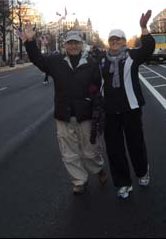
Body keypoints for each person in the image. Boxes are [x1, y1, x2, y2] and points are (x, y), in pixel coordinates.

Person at [24, 28, 108, 195]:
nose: (73, 46)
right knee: (68, 152)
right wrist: (30, 42)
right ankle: (79, 181)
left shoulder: (91, 63)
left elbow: (98, 84)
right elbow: (37, 59)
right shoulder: (56, 62)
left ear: (81, 44)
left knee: (90, 151)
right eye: (70, 43)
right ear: (65, 45)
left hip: (85, 114)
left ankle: (98, 169)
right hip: (64, 114)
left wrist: (93, 94)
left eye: (76, 42)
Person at [100, 10, 155, 199]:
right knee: (114, 150)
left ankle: (142, 172)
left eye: (118, 39)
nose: (115, 42)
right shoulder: (101, 61)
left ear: (124, 41)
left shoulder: (132, 56)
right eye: (112, 40)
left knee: (135, 144)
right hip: (110, 112)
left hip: (131, 108)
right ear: (109, 42)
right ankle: (123, 183)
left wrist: (143, 28)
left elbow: (148, 48)